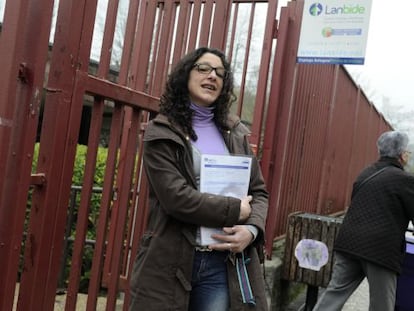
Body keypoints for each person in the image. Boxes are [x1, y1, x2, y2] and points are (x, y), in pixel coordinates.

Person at [129, 47, 269, 311]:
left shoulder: (236, 133)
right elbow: (176, 198)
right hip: (170, 261)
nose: (212, 76)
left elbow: (259, 192)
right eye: (203, 68)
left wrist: (250, 232)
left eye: (219, 72)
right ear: (186, 75)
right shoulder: (161, 131)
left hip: (220, 264)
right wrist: (234, 210)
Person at [313, 131, 414, 311]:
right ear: (401, 154)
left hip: (349, 243)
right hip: (380, 249)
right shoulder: (404, 180)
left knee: (334, 294)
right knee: (382, 303)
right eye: (407, 151)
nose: (408, 154)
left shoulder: (365, 173)